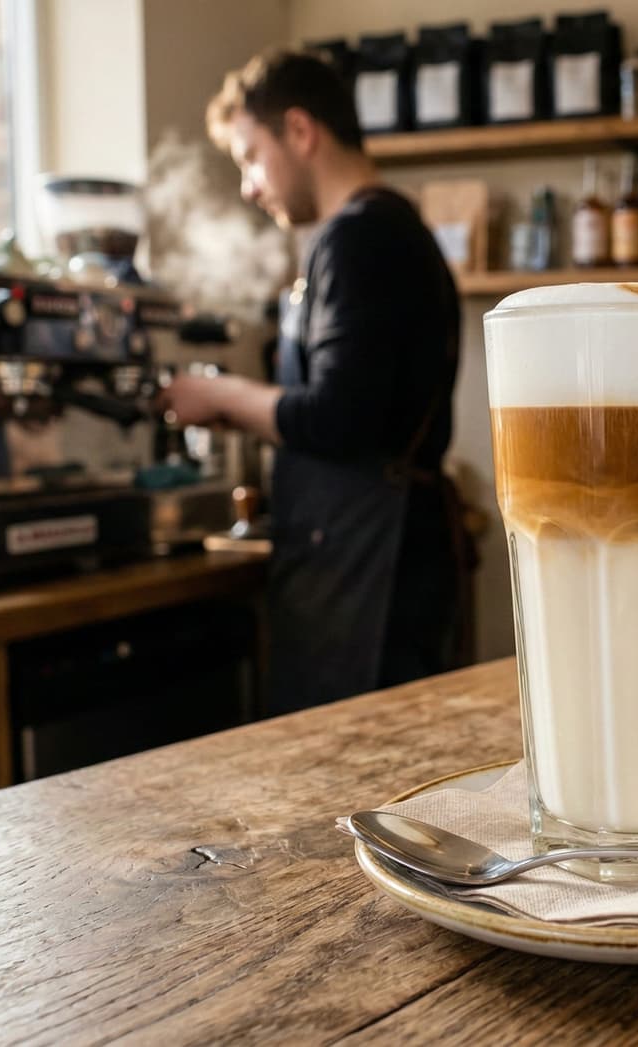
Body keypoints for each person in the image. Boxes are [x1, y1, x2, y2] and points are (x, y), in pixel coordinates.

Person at [159, 50, 465, 714]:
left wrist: (216, 393)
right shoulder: (375, 231)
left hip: (373, 563)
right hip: (360, 550)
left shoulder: (361, 237)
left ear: (300, 132)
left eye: (249, 157)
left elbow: (336, 417)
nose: (248, 185)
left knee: (366, 780)